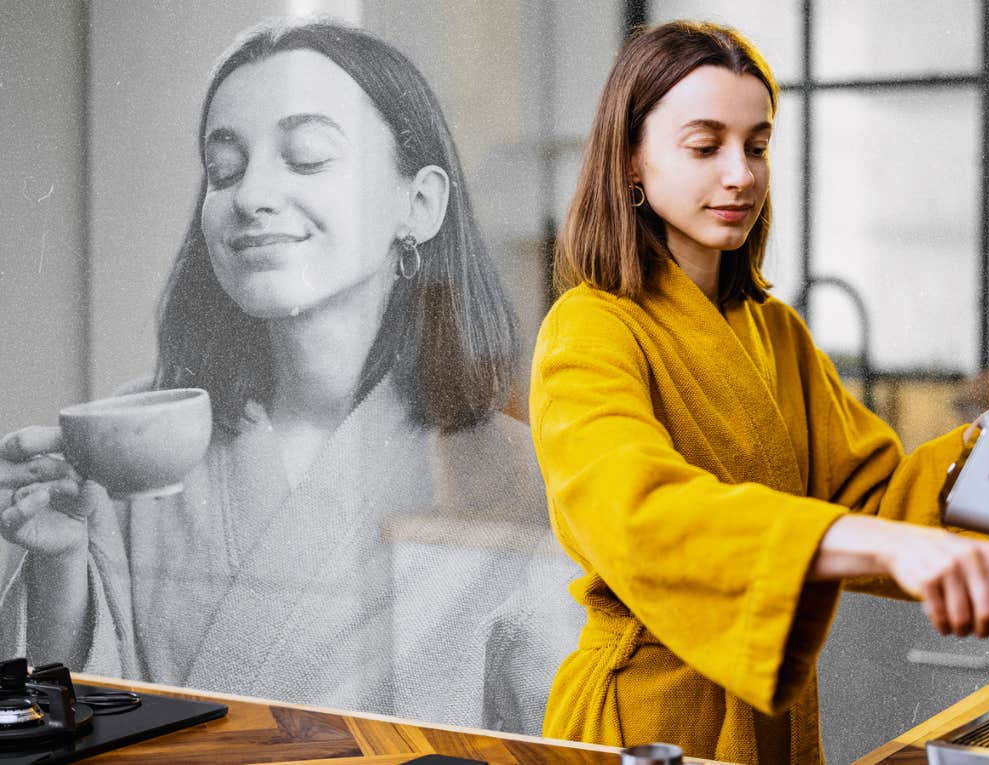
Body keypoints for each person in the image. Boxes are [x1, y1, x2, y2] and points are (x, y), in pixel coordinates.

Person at [0, 19, 581, 735]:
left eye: (306, 157)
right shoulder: (134, 444)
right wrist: (58, 559)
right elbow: (41, 727)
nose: (251, 195)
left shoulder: (519, 479)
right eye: (224, 169)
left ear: (419, 204)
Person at [528, 20, 989, 764]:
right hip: (642, 725)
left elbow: (876, 494)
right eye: (705, 145)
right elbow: (639, 513)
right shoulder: (587, 330)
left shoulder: (774, 331)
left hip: (768, 719)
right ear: (631, 158)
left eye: (756, 145)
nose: (740, 174)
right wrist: (873, 542)